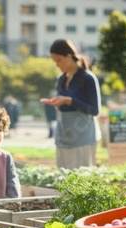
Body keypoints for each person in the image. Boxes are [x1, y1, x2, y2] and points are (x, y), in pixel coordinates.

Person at [41, 39, 101, 169]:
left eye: (58, 60)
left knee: (82, 178)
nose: (57, 64)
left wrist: (69, 101)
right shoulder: (61, 79)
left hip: (83, 137)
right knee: (64, 178)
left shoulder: (88, 78)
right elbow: (64, 106)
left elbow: (95, 110)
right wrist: (57, 102)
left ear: (68, 57)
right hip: (64, 135)